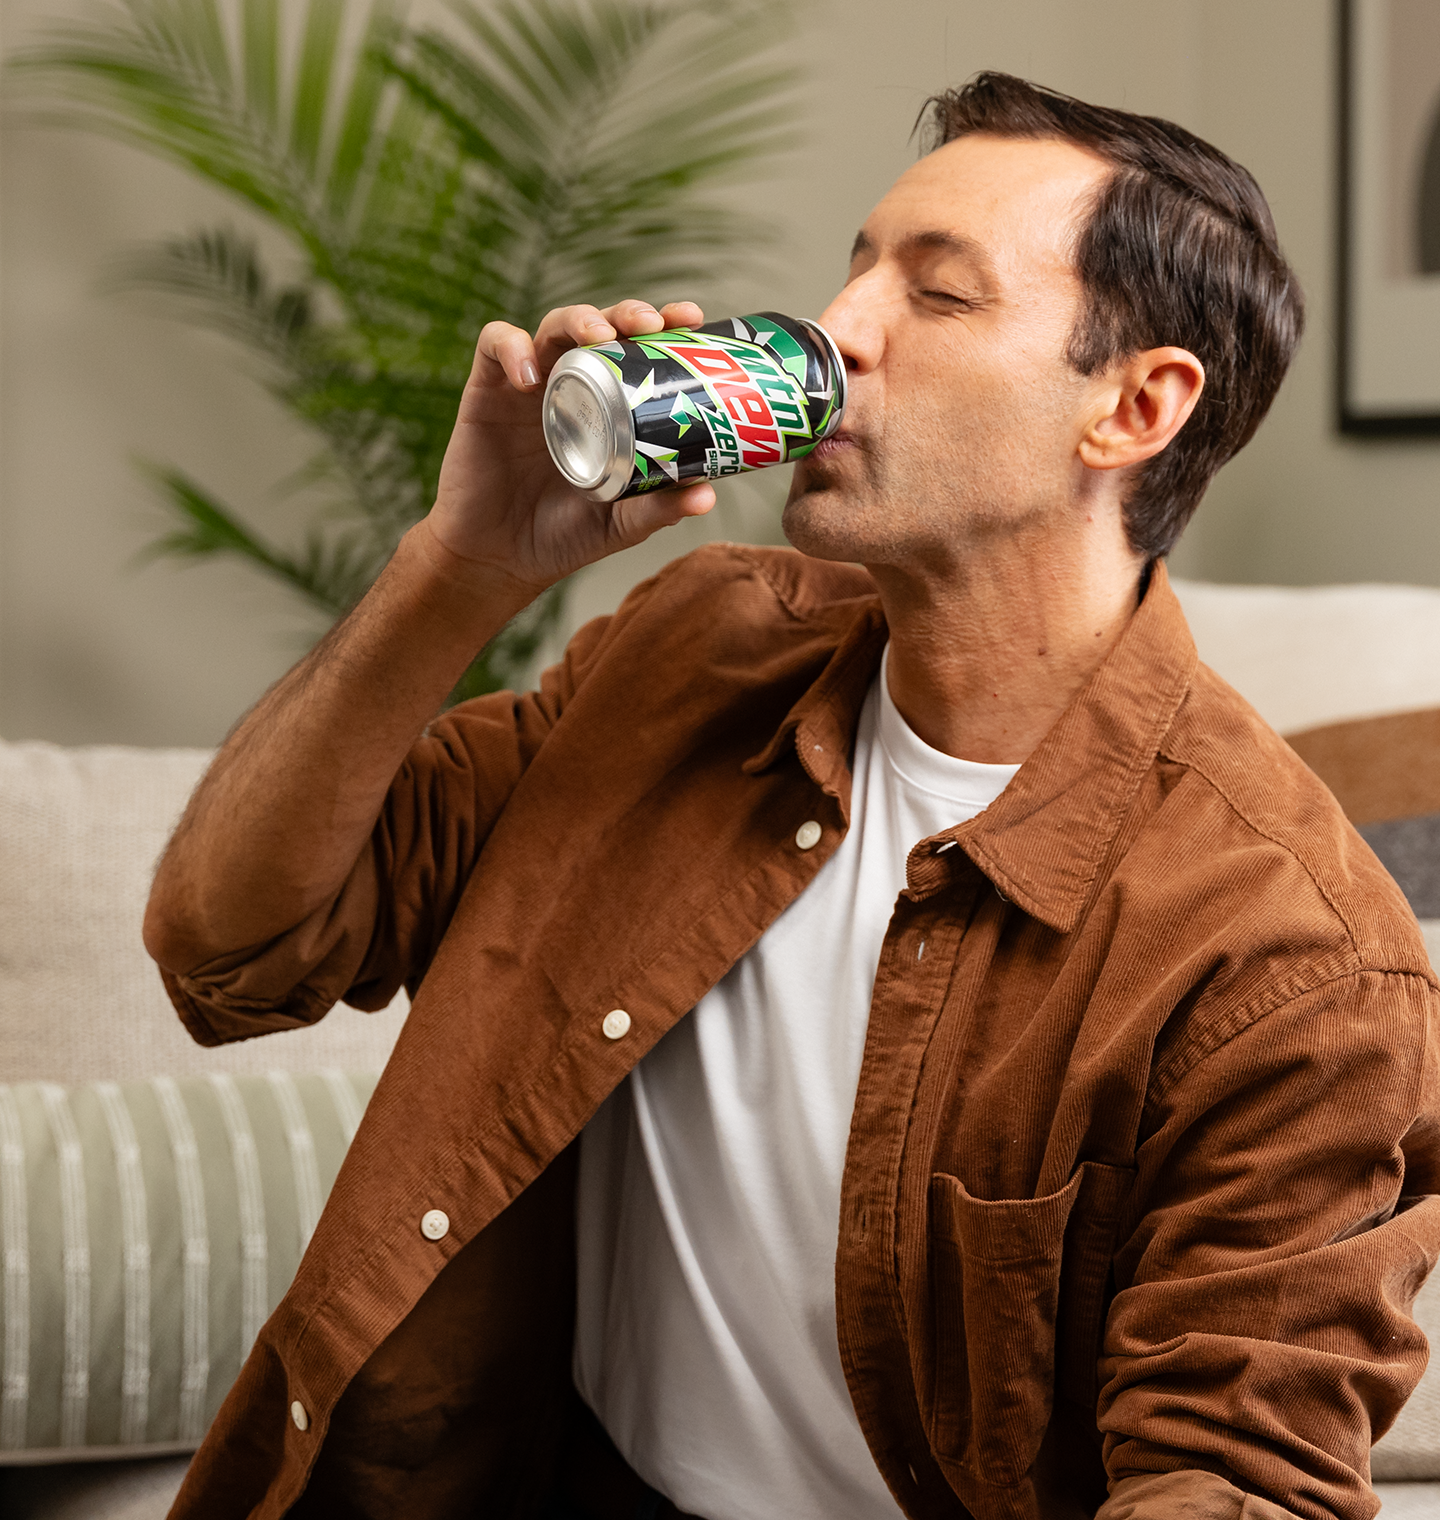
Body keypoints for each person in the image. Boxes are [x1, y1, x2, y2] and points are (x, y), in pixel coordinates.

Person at [146, 74, 1439, 1520]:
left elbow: (1232, 1479)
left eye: (938, 297)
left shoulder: (1294, 958)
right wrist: (464, 565)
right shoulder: (695, 649)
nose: (840, 332)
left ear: (1133, 405)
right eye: (856, 265)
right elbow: (231, 949)